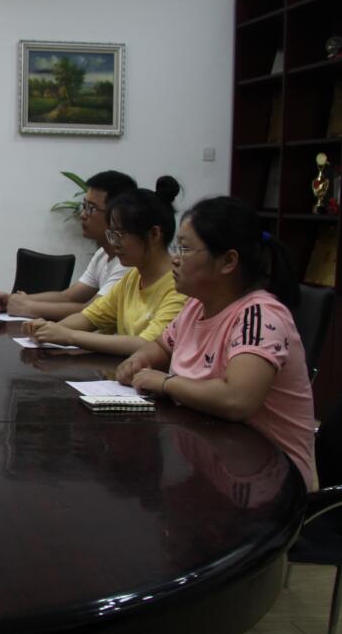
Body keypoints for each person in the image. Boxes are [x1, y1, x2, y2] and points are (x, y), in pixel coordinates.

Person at [116, 196, 316, 490]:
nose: (175, 259)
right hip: (214, 465)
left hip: (269, 485)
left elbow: (237, 400)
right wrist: (139, 361)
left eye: (185, 249)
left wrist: (166, 383)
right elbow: (161, 346)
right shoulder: (196, 306)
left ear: (228, 261)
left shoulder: (258, 316)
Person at [25, 176, 188, 356]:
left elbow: (149, 345)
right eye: (112, 234)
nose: (114, 243)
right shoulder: (133, 277)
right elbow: (89, 317)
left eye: (121, 234)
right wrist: (50, 329)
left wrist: (70, 336)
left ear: (154, 234)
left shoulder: (179, 287)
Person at [0, 170, 136, 319]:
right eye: (84, 206)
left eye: (91, 208)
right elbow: (68, 297)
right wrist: (13, 300)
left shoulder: (127, 263)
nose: (83, 215)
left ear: (116, 214)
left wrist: (28, 307)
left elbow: (90, 311)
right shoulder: (102, 254)